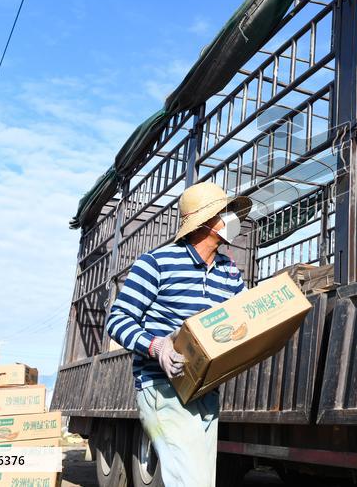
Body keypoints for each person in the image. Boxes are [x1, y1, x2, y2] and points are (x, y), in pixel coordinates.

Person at [105, 181, 252, 487]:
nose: (233, 220)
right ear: (206, 222)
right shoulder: (156, 263)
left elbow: (247, 316)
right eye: (226, 213)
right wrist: (156, 346)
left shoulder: (230, 271)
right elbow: (118, 319)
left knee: (198, 481)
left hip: (205, 391)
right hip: (163, 388)